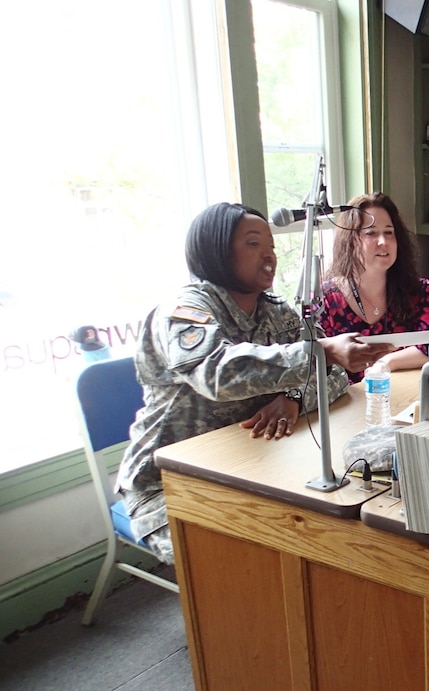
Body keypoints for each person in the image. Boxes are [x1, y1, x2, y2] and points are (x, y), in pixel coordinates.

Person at [117, 202, 392, 564]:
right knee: (231, 563)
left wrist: (294, 396)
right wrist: (319, 352)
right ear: (216, 250)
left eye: (272, 246)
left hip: (248, 461)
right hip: (169, 479)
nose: (269, 255)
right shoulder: (184, 311)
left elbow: (337, 374)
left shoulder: (275, 311)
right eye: (252, 244)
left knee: (319, 536)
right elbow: (218, 374)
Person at [319, 192, 429, 382]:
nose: (383, 242)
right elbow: (315, 369)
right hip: (348, 405)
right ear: (350, 241)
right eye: (371, 233)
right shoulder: (324, 300)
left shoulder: (417, 291)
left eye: (389, 232)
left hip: (403, 399)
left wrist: (387, 362)